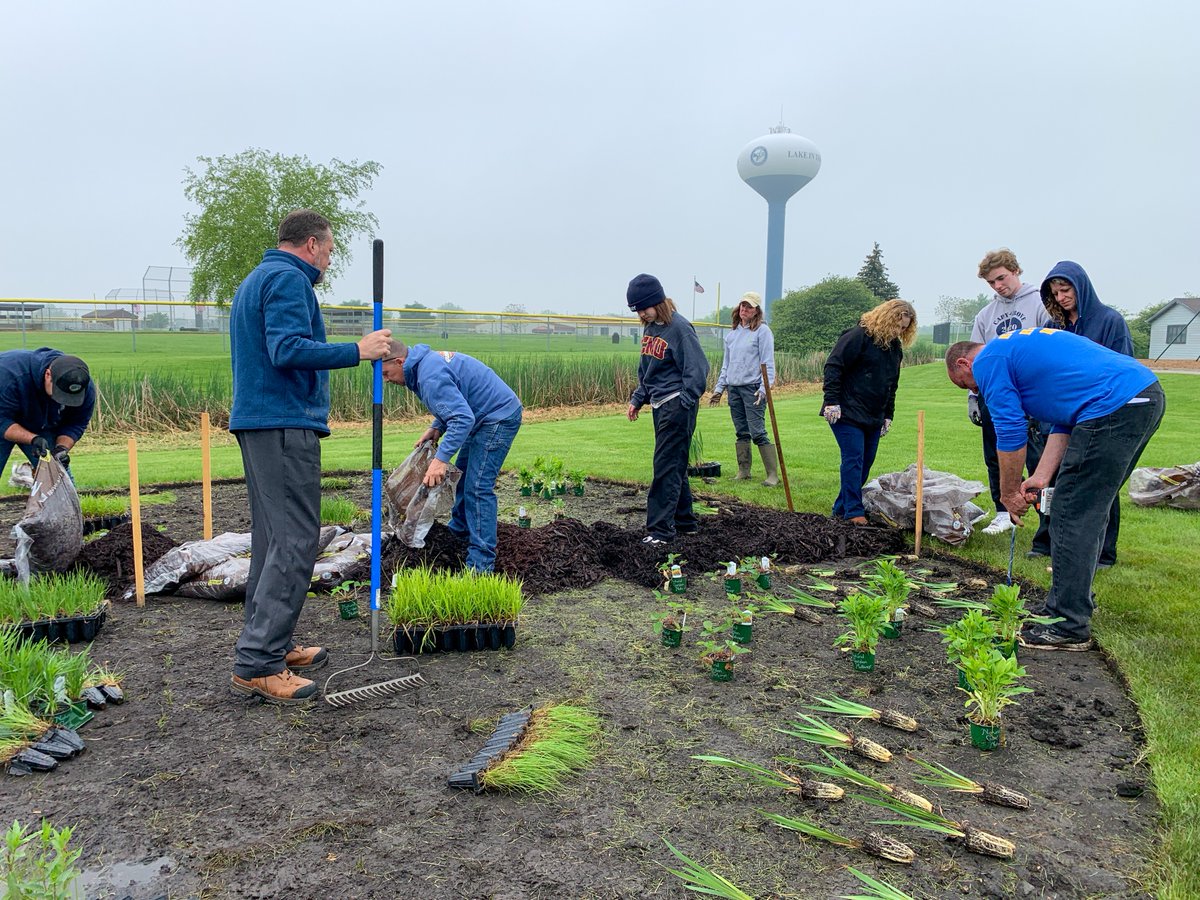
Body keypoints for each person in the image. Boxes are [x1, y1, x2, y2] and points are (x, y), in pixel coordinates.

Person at [228, 209, 393, 705]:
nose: (330, 257)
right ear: (311, 244)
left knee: (273, 539)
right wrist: (357, 350)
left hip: (264, 422)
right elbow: (286, 349)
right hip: (280, 424)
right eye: (329, 248)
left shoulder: (259, 278)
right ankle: (259, 662)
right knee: (297, 540)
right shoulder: (287, 280)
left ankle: (273, 647)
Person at [945, 329, 1164, 651]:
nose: (977, 391)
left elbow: (1010, 428)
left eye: (968, 384)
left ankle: (1067, 624)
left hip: (1114, 406)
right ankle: (1072, 603)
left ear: (964, 363)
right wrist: (1042, 475)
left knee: (1072, 512)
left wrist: (1008, 495)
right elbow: (1065, 420)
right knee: (1086, 507)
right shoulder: (1017, 351)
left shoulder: (991, 359)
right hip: (1136, 397)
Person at [381, 339, 523, 573]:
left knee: (477, 488)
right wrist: (437, 426)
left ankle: (480, 566)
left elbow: (462, 418)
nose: (387, 381)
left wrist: (440, 460)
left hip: (497, 417)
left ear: (399, 361)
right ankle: (459, 534)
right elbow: (455, 400)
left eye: (386, 374)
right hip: (481, 417)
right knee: (465, 481)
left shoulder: (428, 375)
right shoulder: (424, 366)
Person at [1041, 261, 1134, 568]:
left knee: (1101, 479)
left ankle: (1105, 551)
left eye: (1066, 289)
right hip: (1067, 414)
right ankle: (1051, 542)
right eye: (1055, 292)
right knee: (1059, 479)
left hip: (1102, 410)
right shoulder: (1056, 326)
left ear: (1081, 287)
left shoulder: (1110, 321)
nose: (1061, 297)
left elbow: (1124, 368)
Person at [969, 249, 1053, 540]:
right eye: (991, 282)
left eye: (1001, 278)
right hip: (995, 395)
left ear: (1016, 271)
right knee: (997, 456)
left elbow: (1050, 347)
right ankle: (1003, 511)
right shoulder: (985, 315)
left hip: (1033, 396)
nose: (998, 286)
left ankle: (1047, 520)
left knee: (1038, 459)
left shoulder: (1040, 304)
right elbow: (974, 360)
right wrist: (973, 399)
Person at [626, 274, 710, 546]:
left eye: (644, 308)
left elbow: (697, 370)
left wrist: (685, 401)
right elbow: (647, 370)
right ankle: (685, 522)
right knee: (674, 463)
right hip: (660, 404)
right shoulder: (651, 329)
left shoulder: (680, 328)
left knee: (664, 465)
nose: (641, 313)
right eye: (637, 310)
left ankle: (660, 531)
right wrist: (639, 398)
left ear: (657, 301)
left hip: (677, 405)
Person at [820, 299, 917, 525]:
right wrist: (831, 401)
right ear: (886, 318)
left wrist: (888, 414)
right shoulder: (858, 336)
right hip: (846, 412)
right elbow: (834, 366)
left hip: (873, 414)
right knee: (853, 459)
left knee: (865, 463)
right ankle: (854, 512)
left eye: (904, 328)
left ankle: (840, 509)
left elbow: (892, 383)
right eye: (897, 325)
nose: (899, 331)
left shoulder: (894, 348)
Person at [708, 291, 779, 486]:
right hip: (734, 388)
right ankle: (744, 470)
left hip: (753, 389)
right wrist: (719, 389)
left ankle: (772, 475)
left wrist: (764, 389)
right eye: (742, 306)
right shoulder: (732, 335)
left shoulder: (763, 332)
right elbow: (726, 365)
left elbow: (768, 363)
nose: (744, 309)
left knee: (758, 431)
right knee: (741, 431)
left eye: (749, 306)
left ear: (756, 310)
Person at [0, 348, 95, 480]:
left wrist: (61, 449)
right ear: (48, 375)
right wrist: (33, 439)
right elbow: (1, 421)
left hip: (38, 424)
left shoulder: (83, 386)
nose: (60, 400)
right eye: (59, 394)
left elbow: (76, 422)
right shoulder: (9, 376)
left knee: (58, 479)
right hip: (3, 413)